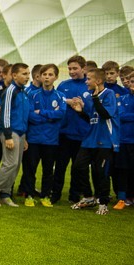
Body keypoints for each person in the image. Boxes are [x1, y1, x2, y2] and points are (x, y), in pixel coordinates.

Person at [70, 68, 118, 215]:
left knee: (101, 173)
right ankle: (88, 197)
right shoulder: (92, 97)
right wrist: (81, 112)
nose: (86, 81)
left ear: (98, 81)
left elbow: (106, 114)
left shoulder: (109, 94)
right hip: (89, 140)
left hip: (105, 141)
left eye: (89, 79)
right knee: (78, 167)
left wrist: (96, 98)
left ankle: (103, 203)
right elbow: (92, 119)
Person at [20, 64, 66, 207]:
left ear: (56, 77)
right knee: (30, 169)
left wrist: (41, 112)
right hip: (34, 138)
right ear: (39, 76)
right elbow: (30, 115)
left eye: (50, 74)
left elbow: (61, 114)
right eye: (44, 74)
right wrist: (49, 117)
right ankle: (29, 195)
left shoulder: (60, 96)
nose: (47, 77)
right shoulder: (32, 94)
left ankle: (45, 196)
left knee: (48, 170)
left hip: (51, 140)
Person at [0, 63, 30, 207]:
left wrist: (24, 136)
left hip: (21, 133)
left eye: (28, 73)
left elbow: (23, 116)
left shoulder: (23, 92)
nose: (27, 76)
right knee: (10, 163)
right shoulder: (11, 91)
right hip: (11, 132)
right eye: (24, 74)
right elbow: (5, 114)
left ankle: (5, 194)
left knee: (16, 165)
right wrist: (8, 136)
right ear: (14, 75)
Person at [52, 55, 90, 204]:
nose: (72, 71)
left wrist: (82, 106)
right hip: (64, 134)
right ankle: (55, 195)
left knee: (78, 167)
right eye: (70, 68)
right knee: (60, 166)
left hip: (82, 135)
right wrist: (67, 101)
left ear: (84, 68)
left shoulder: (89, 86)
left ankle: (74, 196)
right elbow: (56, 102)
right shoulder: (63, 85)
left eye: (75, 68)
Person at [114, 72, 134, 209]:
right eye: (131, 81)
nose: (132, 84)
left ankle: (131, 196)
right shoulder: (121, 98)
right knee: (122, 170)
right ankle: (122, 198)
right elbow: (120, 115)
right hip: (124, 140)